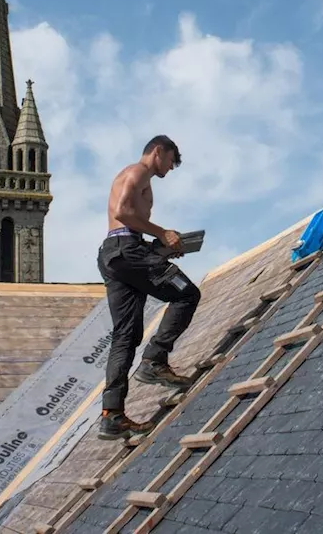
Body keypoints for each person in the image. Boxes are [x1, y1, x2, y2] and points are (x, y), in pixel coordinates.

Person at [96, 134, 202, 440]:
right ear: (158, 151)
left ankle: (112, 415)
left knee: (126, 335)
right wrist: (162, 232)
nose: (170, 169)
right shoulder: (138, 171)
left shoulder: (134, 176)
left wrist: (162, 245)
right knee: (187, 294)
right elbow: (122, 212)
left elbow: (126, 225)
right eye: (170, 161)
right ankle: (155, 360)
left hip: (117, 254)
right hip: (127, 250)